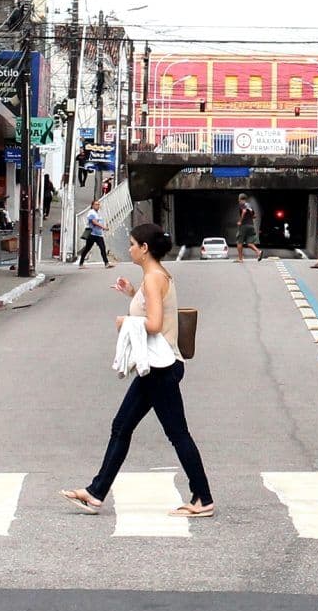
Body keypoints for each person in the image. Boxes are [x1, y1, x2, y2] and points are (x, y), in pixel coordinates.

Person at [59, 224, 215, 519]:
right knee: (122, 426)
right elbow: (154, 312)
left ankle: (203, 498)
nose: (129, 248)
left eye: (132, 244)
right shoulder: (153, 277)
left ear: (144, 248)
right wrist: (131, 293)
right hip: (156, 368)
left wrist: (124, 323)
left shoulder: (154, 278)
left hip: (161, 368)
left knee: (177, 433)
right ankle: (96, 492)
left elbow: (154, 324)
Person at [77, 203, 113, 268]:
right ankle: (81, 263)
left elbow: (98, 221)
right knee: (87, 248)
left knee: (102, 248)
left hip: (98, 234)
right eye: (96, 204)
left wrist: (102, 228)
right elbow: (94, 222)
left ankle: (106, 263)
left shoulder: (97, 213)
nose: (98, 206)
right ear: (92, 205)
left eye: (98, 204)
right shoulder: (91, 212)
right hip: (92, 234)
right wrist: (103, 227)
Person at [233, 193, 263, 262]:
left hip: (244, 226)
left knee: (239, 242)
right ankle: (259, 252)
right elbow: (254, 216)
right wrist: (249, 217)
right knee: (249, 243)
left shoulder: (242, 204)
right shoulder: (250, 205)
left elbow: (243, 211)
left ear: (240, 199)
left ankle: (240, 259)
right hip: (251, 226)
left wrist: (240, 221)